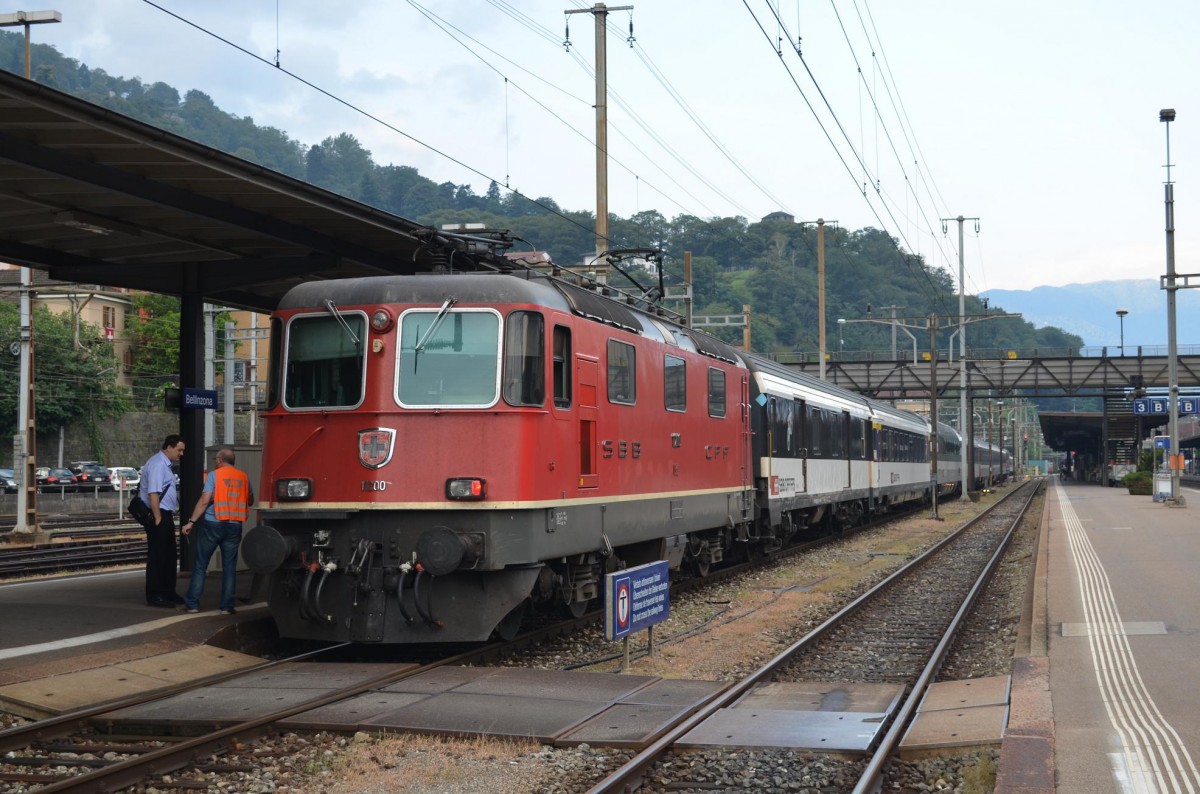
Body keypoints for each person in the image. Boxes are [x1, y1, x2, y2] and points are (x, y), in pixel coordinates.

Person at [180, 448, 254, 615]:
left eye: (216, 459)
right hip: (234, 525)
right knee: (229, 567)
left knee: (200, 565)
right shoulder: (243, 476)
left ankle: (192, 604)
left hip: (214, 523)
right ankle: (227, 607)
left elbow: (205, 500)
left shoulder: (215, 475)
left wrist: (191, 521)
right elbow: (250, 500)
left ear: (220, 460)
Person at [139, 434, 185, 607]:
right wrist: (158, 517)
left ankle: (168, 591)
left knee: (169, 555)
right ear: (169, 447)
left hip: (165, 515)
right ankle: (155, 594)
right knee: (158, 556)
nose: (181, 454)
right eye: (179, 450)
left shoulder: (164, 464)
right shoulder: (158, 464)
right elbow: (153, 493)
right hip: (160, 515)